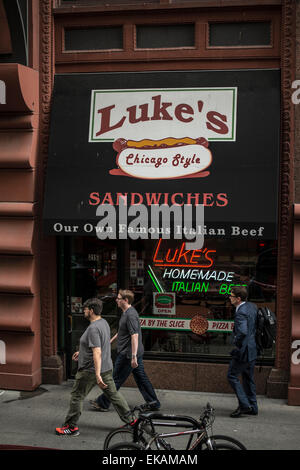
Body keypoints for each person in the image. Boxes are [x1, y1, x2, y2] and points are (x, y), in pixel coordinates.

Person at [55, 298, 134, 436]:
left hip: (90, 371)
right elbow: (100, 344)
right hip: (107, 367)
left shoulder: (93, 328)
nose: (84, 311)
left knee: (77, 396)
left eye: (85, 309)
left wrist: (97, 375)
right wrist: (82, 352)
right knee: (114, 395)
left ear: (91, 310)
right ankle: (132, 422)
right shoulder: (103, 323)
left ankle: (70, 427)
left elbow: (97, 351)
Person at [90, 289, 160, 412]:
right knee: (141, 378)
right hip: (131, 353)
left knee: (115, 379)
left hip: (128, 354)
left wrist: (133, 356)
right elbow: (123, 331)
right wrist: (110, 341)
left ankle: (103, 403)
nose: (116, 300)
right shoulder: (126, 312)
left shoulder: (131, 315)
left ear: (125, 300)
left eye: (118, 298)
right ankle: (153, 402)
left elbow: (134, 335)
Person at [227, 286, 258, 418]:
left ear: (238, 299)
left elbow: (243, 332)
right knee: (248, 377)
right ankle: (253, 406)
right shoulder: (252, 307)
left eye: (231, 296)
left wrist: (237, 343)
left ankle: (244, 405)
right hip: (253, 348)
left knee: (232, 375)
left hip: (244, 350)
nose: (229, 298)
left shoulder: (241, 312)